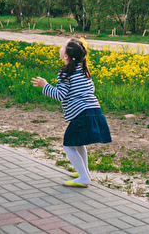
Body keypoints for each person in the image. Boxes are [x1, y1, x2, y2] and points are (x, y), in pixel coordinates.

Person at [31, 38, 111, 188]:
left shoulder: (65, 73)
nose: (60, 48)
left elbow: (60, 95)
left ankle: (84, 178)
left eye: (63, 46)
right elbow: (90, 89)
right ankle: (84, 172)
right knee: (79, 144)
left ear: (66, 55)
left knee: (68, 145)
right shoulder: (84, 71)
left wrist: (45, 85)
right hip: (94, 111)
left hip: (81, 115)